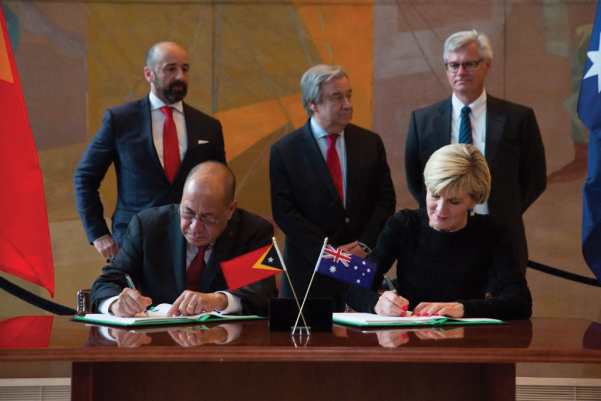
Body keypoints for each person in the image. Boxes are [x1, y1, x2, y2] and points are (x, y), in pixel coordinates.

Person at [405, 30, 546, 280]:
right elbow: (416, 178)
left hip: (501, 240)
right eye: (453, 65)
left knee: (500, 314)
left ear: (487, 65)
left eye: (469, 64)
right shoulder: (422, 120)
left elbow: (534, 179)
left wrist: (504, 209)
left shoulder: (518, 118)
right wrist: (445, 211)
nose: (460, 72)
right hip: (441, 241)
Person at [74, 41, 226, 260]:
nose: (180, 76)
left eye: (185, 68)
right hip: (133, 243)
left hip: (194, 244)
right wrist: (98, 234)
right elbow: (85, 177)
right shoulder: (120, 120)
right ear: (149, 74)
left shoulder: (208, 126)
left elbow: (221, 186)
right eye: (170, 69)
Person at [347, 144, 532, 320]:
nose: (440, 210)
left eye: (454, 202)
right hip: (408, 339)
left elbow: (520, 301)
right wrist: (377, 303)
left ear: (474, 200)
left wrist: (462, 308)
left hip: (467, 342)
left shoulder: (491, 231)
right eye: (435, 195)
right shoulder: (403, 224)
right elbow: (353, 288)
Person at [270, 64, 396, 311]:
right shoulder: (285, 151)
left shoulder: (370, 143)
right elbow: (285, 212)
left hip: (360, 266)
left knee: (361, 344)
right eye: (337, 97)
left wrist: (365, 245)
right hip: (309, 273)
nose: (348, 104)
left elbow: (385, 201)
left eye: (348, 95)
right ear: (313, 103)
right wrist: (332, 257)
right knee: (309, 346)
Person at [91, 162, 277, 317]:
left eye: (208, 217)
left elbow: (263, 293)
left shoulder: (252, 232)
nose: (194, 227)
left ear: (230, 210)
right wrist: (116, 303)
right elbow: (107, 282)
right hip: (156, 343)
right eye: (187, 212)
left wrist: (217, 300)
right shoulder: (148, 227)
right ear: (181, 199)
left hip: (224, 344)